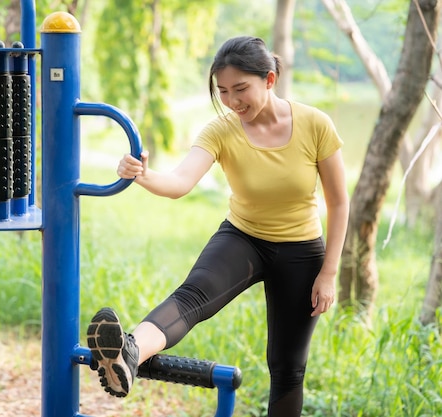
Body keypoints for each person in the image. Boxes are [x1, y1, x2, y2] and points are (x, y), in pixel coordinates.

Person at [86, 35, 349, 417]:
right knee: (191, 297)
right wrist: (143, 174)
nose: (232, 101)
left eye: (241, 89)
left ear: (270, 80)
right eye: (223, 91)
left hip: (301, 251)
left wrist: (329, 272)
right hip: (243, 237)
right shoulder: (220, 130)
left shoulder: (315, 124)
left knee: (288, 366)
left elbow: (339, 201)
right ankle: (128, 353)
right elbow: (179, 183)